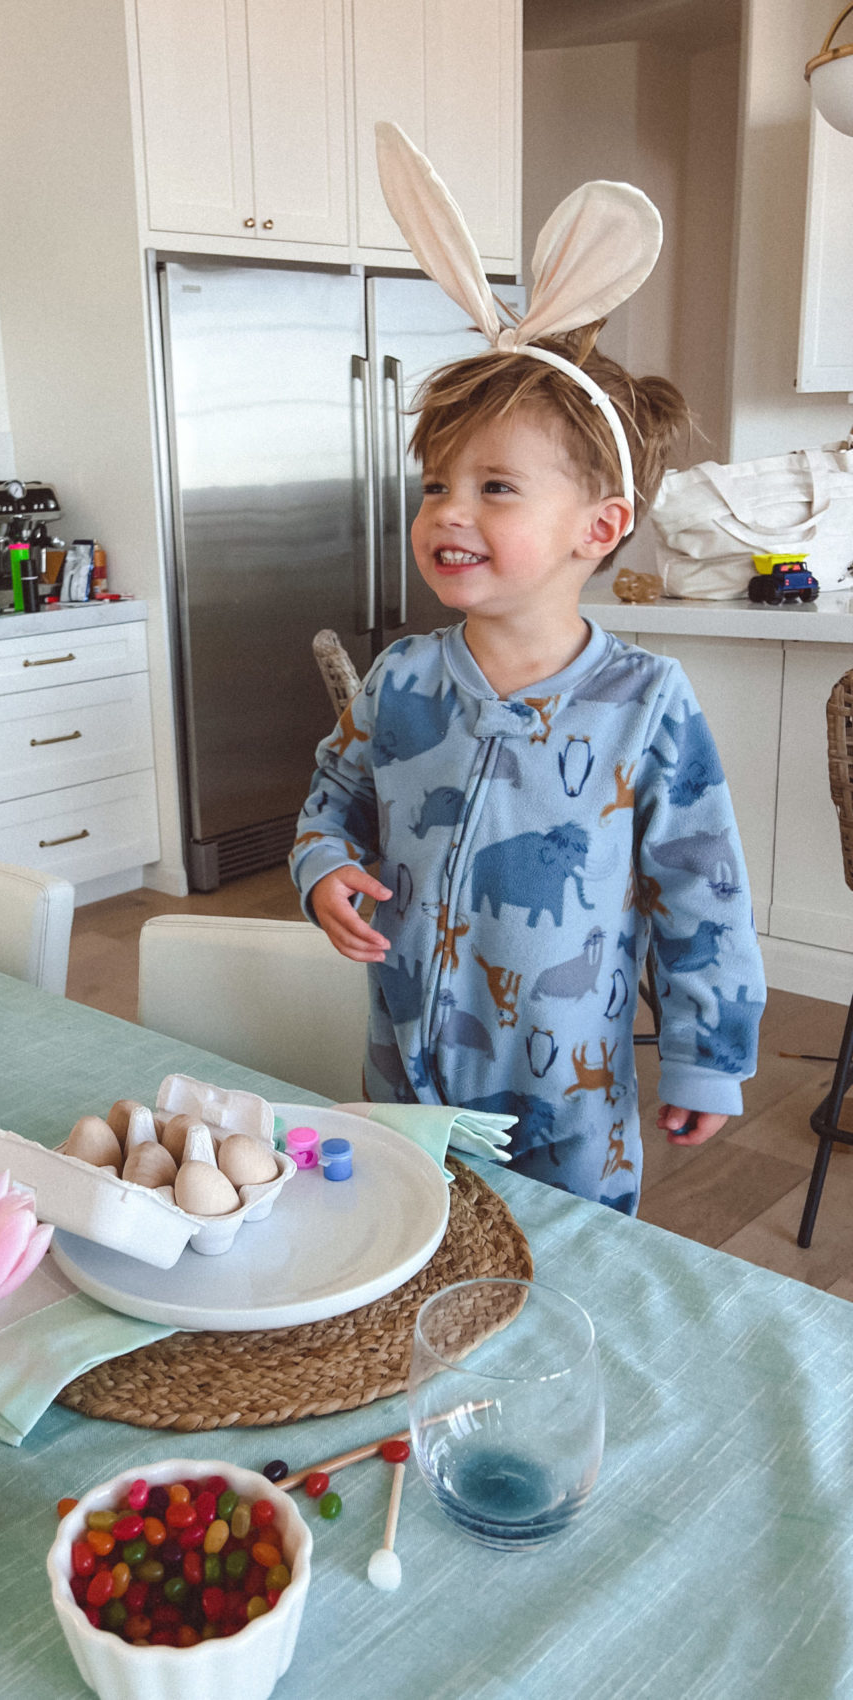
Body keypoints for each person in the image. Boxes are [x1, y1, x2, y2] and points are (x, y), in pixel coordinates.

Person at [290, 326, 766, 1213]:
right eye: (436, 485)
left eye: (495, 488)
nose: (448, 511)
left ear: (600, 526)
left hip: (566, 1097)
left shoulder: (647, 702)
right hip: (400, 1069)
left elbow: (704, 892)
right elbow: (334, 801)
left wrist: (709, 1056)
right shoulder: (400, 678)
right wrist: (322, 867)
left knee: (564, 1264)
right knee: (406, 1240)